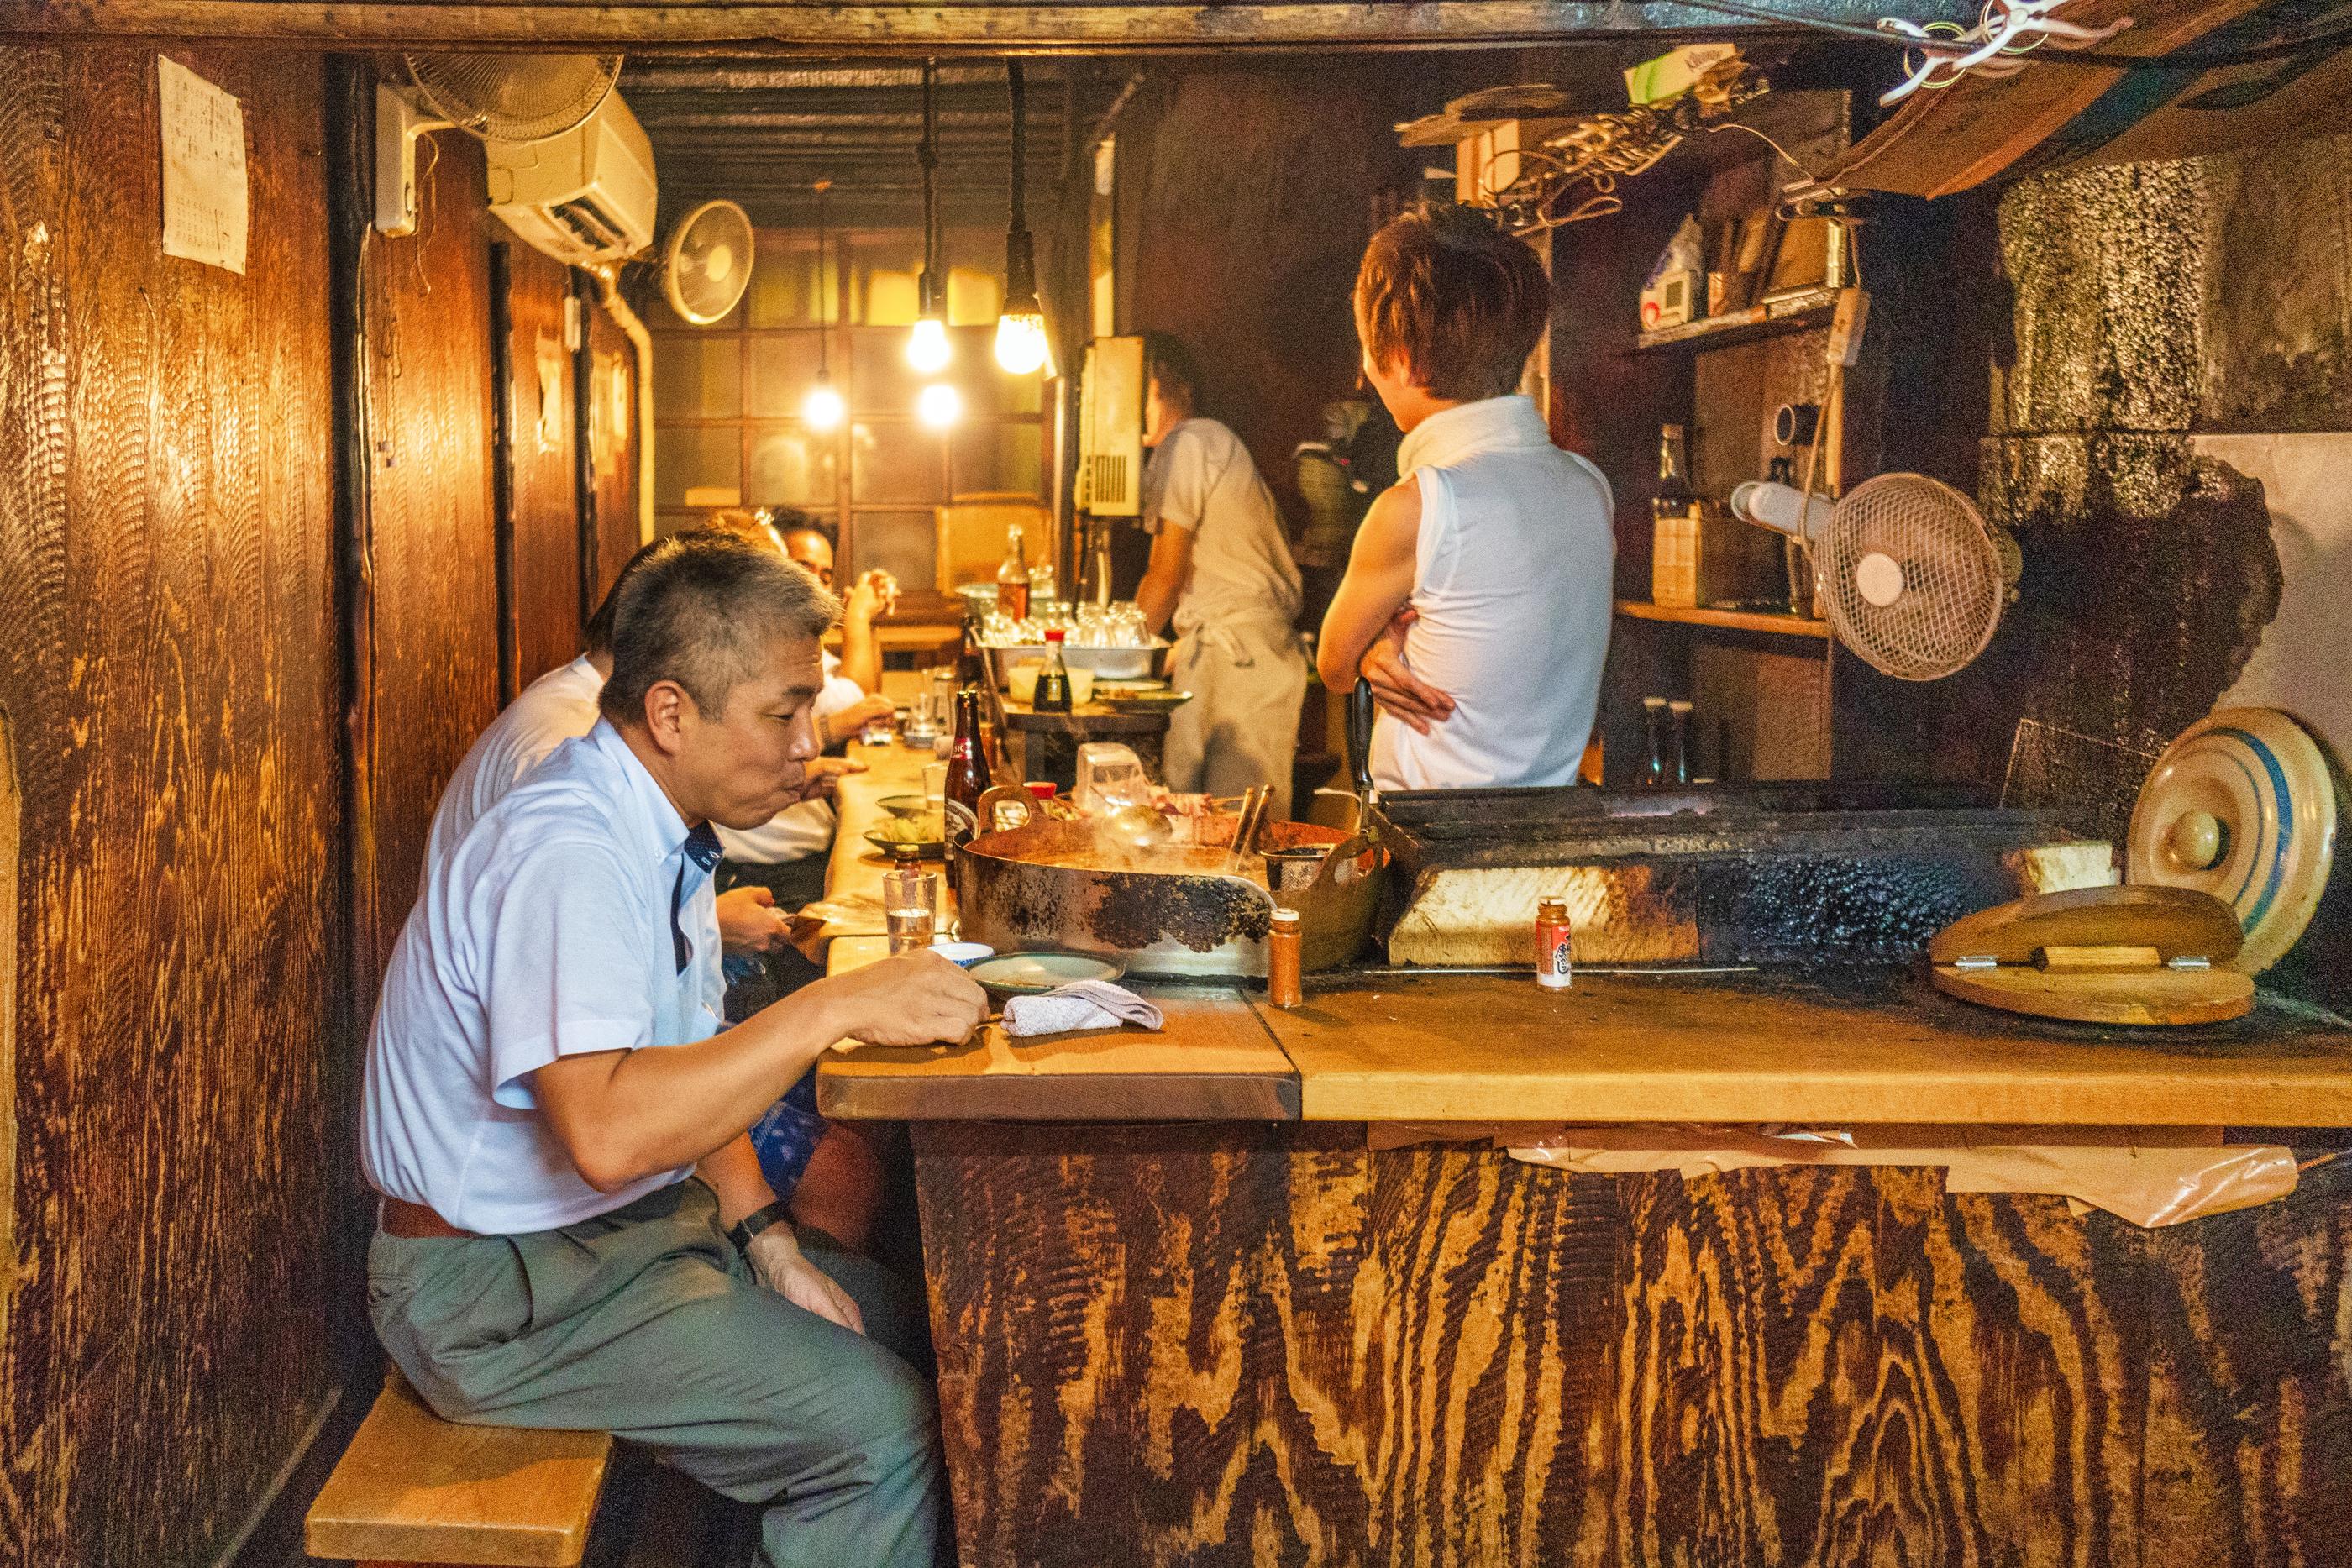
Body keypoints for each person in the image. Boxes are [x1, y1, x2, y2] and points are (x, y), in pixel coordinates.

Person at [362, 531, 989, 1568]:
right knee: (880, 1426)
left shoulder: (658, 827)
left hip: (607, 1245)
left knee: (918, 1318)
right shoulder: (568, 844)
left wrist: (769, 1243)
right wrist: (831, 1007)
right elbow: (611, 1130)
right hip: (494, 1293)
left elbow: (690, 1067)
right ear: (670, 712)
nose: (806, 743)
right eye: (784, 712)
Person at [1317, 204, 1615, 791]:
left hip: (1432, 848)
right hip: (1554, 836)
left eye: (1368, 353)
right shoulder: (1589, 487)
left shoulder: (1420, 507)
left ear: (1399, 360)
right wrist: (1381, 644)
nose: (1365, 371)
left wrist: (1375, 645)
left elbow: (1332, 664)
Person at [1131, 332, 1311, 816]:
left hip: (1244, 658)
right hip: (1224, 652)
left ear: (1168, 384)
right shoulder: (1177, 451)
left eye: (1136, 384)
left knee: (1238, 828)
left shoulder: (1193, 440)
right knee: (1194, 818)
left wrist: (1115, 663)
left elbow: (1165, 578)